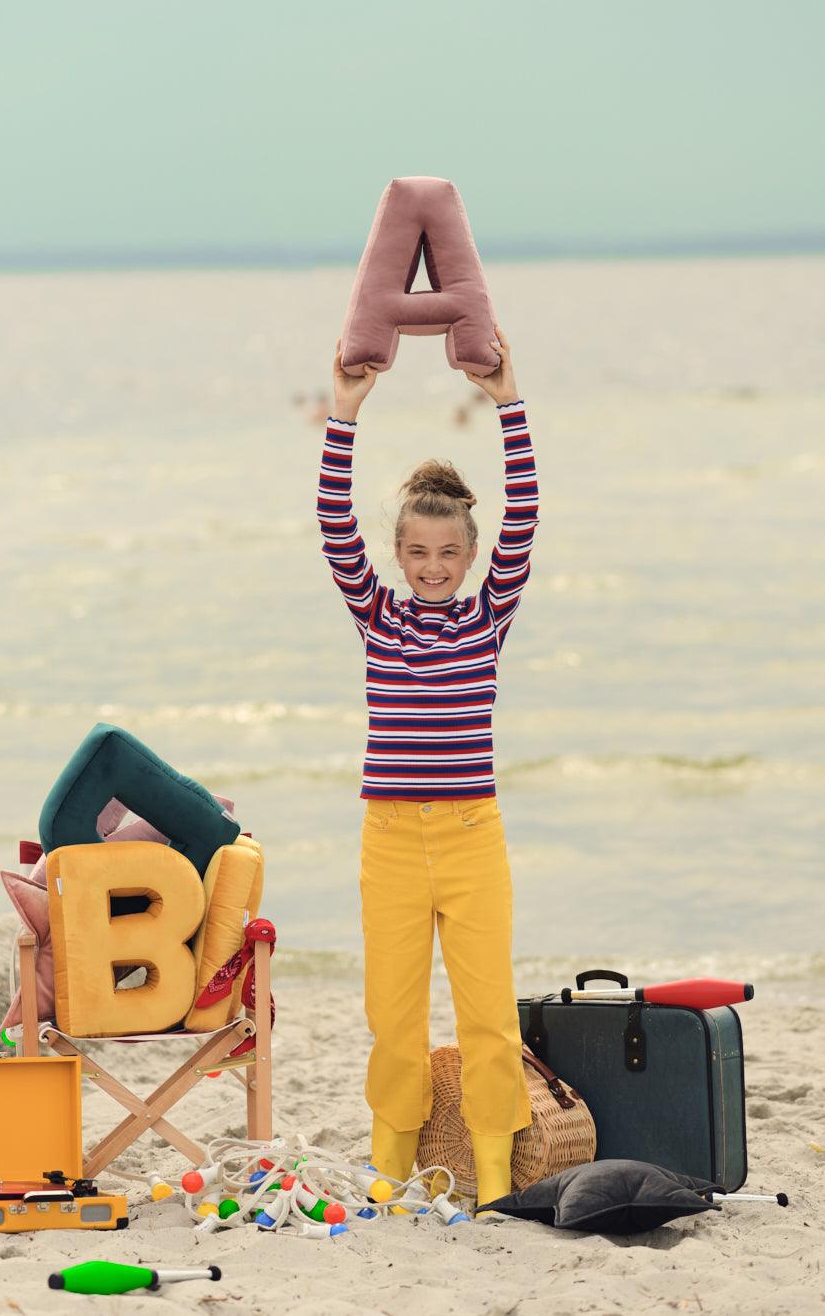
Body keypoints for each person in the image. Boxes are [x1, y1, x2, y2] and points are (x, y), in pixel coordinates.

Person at [316, 324, 538, 1213]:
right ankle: (390, 1173)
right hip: (391, 839)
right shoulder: (378, 616)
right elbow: (335, 523)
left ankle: (489, 1176)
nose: (434, 567)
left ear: (470, 555)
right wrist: (345, 408)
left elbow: (522, 511)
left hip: (472, 833)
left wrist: (507, 401)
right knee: (393, 1021)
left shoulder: (487, 615)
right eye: (417, 552)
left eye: (449, 553)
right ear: (398, 553)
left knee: (488, 1018)